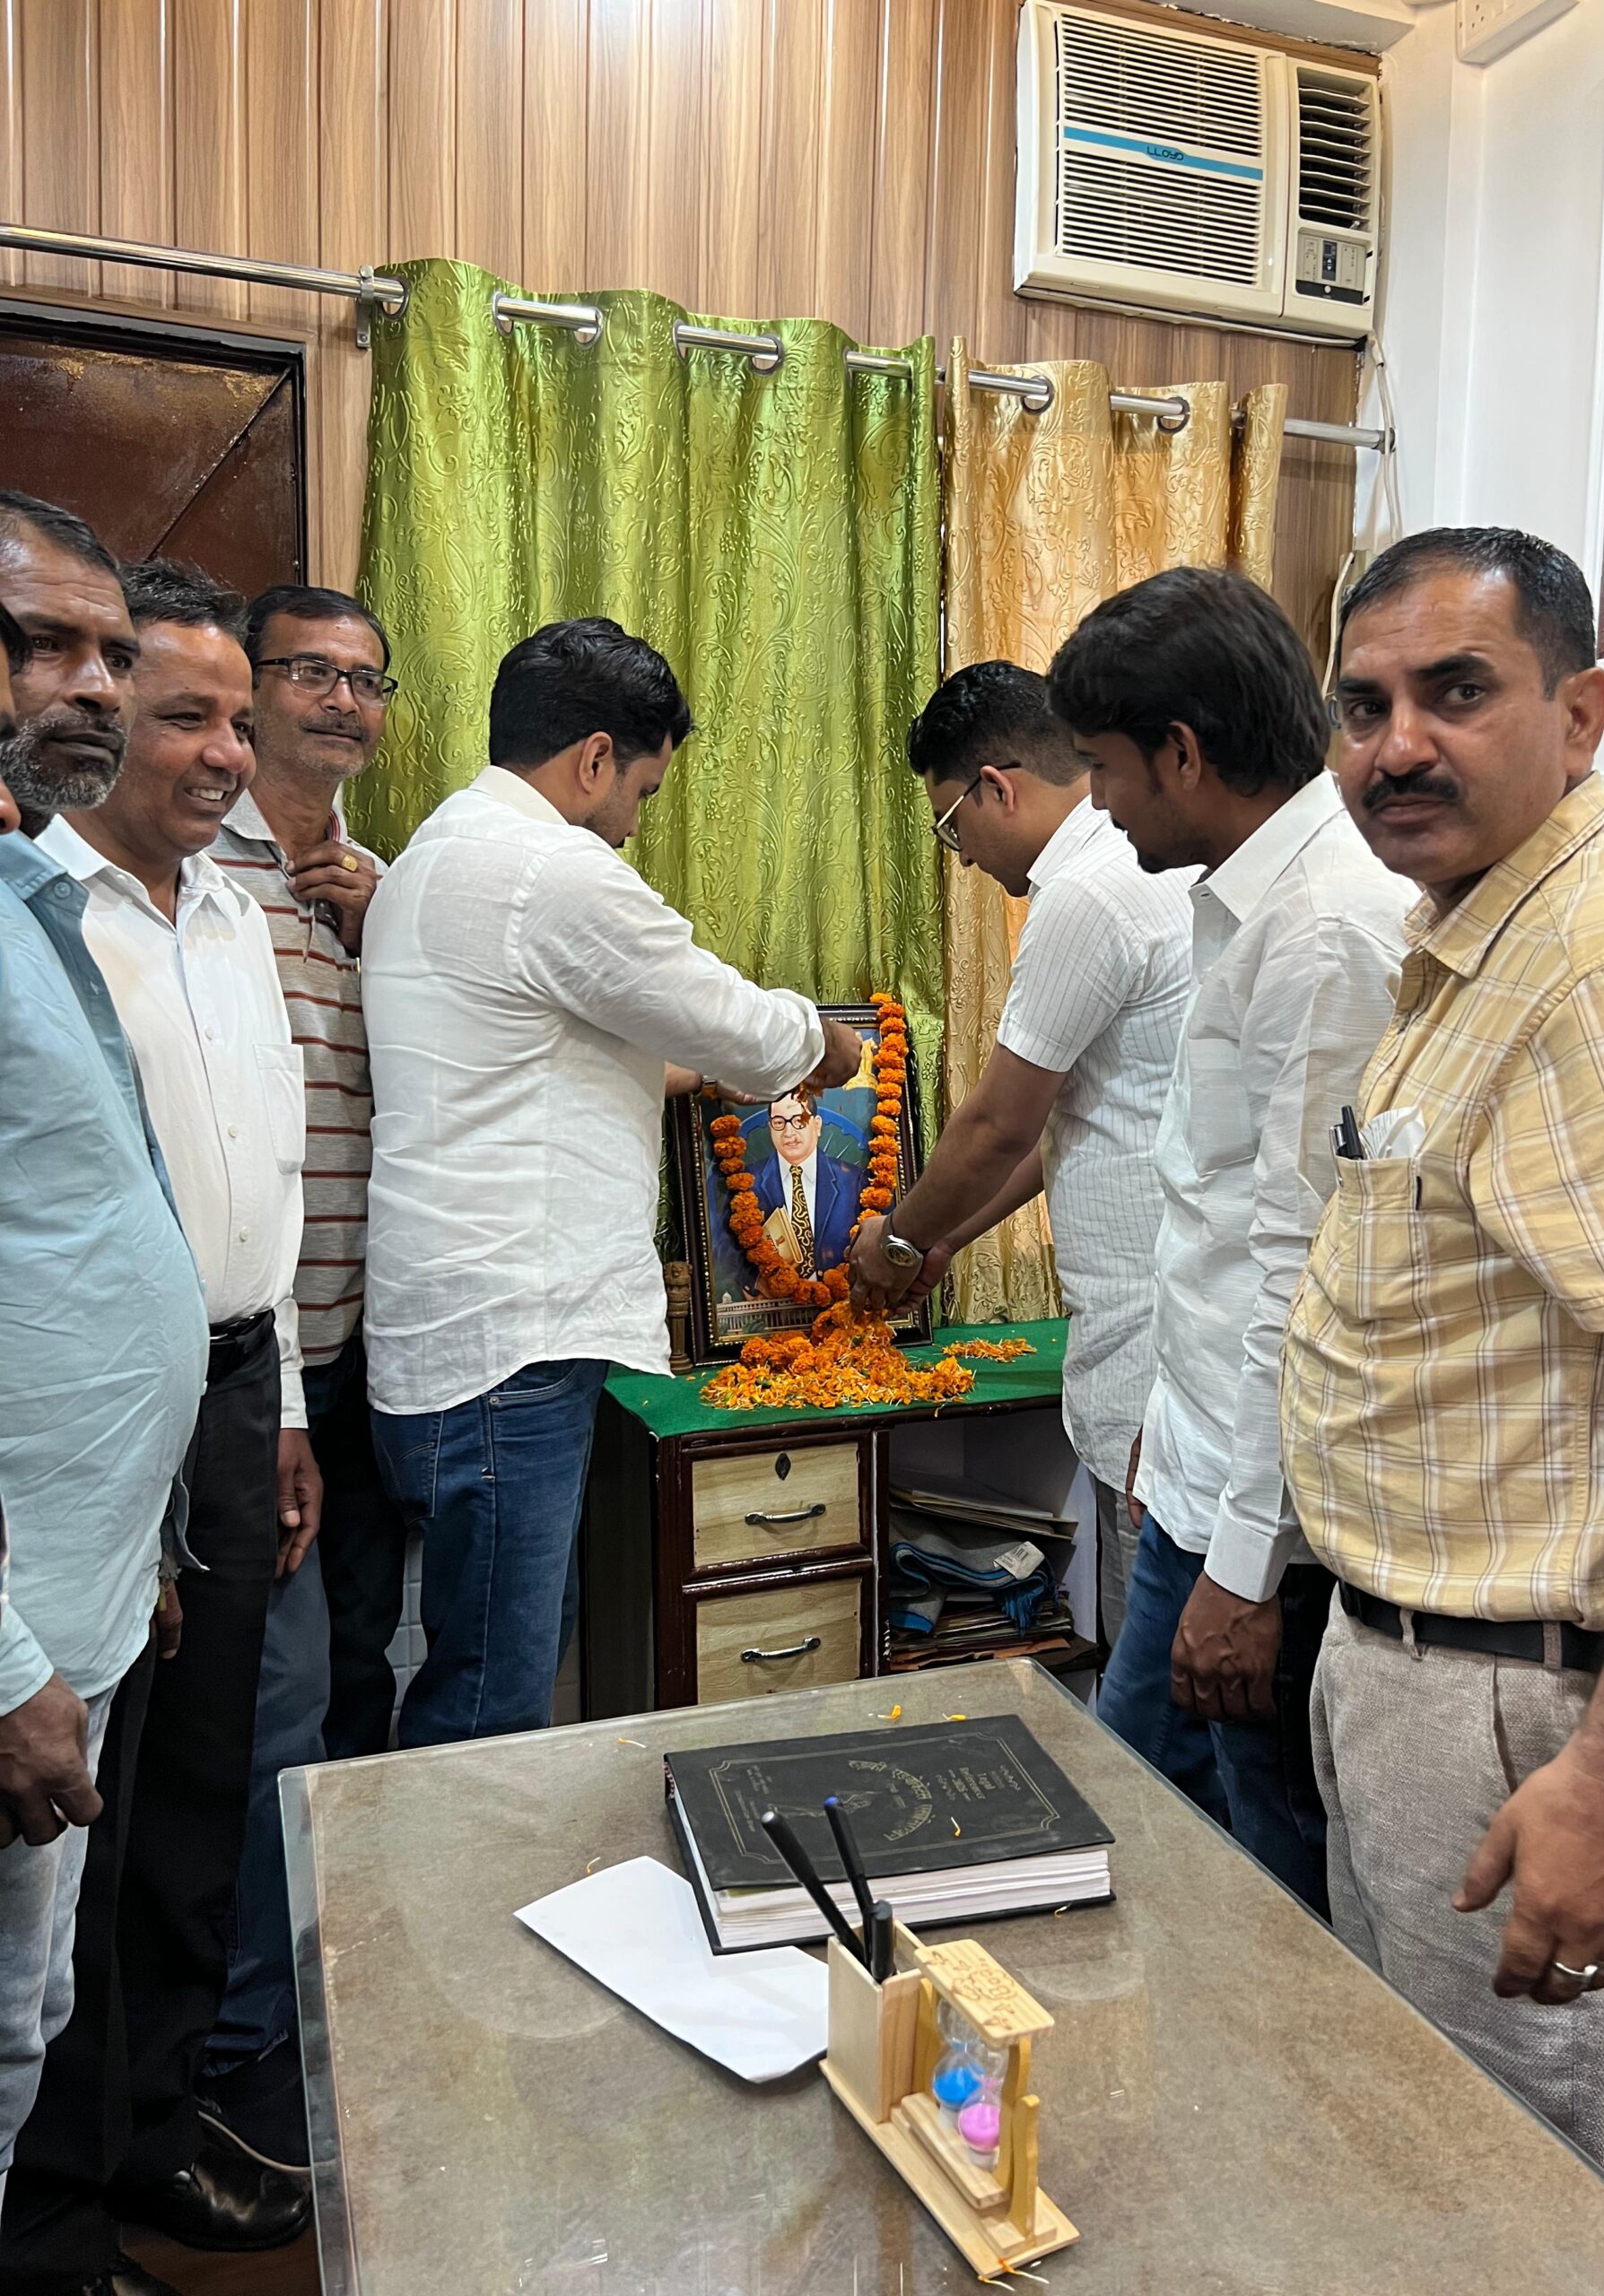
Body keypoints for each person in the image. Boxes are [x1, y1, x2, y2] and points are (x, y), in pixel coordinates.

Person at [1282, 526, 1604, 2220]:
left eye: (1457, 693)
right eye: (1365, 705)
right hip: (1417, 1672)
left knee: (1541, 2219)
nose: (1397, 746)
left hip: (1526, 1711)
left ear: (1581, 715)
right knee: (1427, 2177)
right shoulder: (1479, 938)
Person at [362, 617, 861, 1749]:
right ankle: (467, 1872)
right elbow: (728, 1017)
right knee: (491, 1698)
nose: (635, 823)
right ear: (594, 758)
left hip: (461, 1337)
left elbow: (547, 1058)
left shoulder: (441, 848)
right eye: (641, 789)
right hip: (511, 1344)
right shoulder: (550, 870)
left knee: (500, 1661)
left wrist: (716, 1065)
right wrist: (825, 1045)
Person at [13, 560, 313, 2287]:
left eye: (236, 725)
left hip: (233, 1391)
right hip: (94, 1420)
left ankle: (155, 2126)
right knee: (89, 1826)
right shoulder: (44, 918)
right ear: (101, 716)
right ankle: (54, 2202)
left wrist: (279, 1411)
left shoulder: (236, 914)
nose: (223, 756)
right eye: (185, 716)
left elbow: (258, 1176)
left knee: (202, 1792)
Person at [1045, 569, 1408, 1913]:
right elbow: (1208, 1217)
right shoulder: (1246, 906)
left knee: (1262, 1875)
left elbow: (1304, 1279)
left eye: (1103, 768)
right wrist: (1168, 1436)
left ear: (1185, 755)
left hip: (1270, 1533)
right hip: (1203, 1479)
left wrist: (1248, 1569)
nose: (1096, 802)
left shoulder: (1327, 932)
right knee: (1140, 1818)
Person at [0, 500, 207, 2295]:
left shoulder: (26, 895)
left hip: (76, 1591)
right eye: (40, 643)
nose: (92, 686)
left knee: (29, 2015)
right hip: (11, 1653)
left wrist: (135, 1540)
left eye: (110, 652)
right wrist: (4, 1666)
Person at [850, 660, 1191, 1648]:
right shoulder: (1152, 866)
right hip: (1175, 1345)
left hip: (1157, 1350)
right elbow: (1067, 1124)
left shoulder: (1087, 893)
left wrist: (896, 1244)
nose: (960, 860)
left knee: (1155, 1680)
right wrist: (948, 1237)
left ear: (997, 786)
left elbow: (997, 1124)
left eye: (951, 827)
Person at [197, 584, 402, 2174]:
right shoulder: (194, 872)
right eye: (311, 674)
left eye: (366, 681)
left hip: (361, 1352)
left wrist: (377, 933)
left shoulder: (382, 886)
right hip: (240, 1369)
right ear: (250, 696)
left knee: (351, 1680)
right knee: (247, 1712)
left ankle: (323, 1991)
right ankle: (234, 2043)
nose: (342, 701)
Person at [751, 1087, 865, 1281]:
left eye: (799, 1121)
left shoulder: (853, 1181)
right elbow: (724, 1249)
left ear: (817, 1125)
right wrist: (755, 1285)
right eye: (779, 1123)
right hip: (770, 1294)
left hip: (843, 1292)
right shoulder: (748, 1182)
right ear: (770, 1128)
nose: (789, 1132)